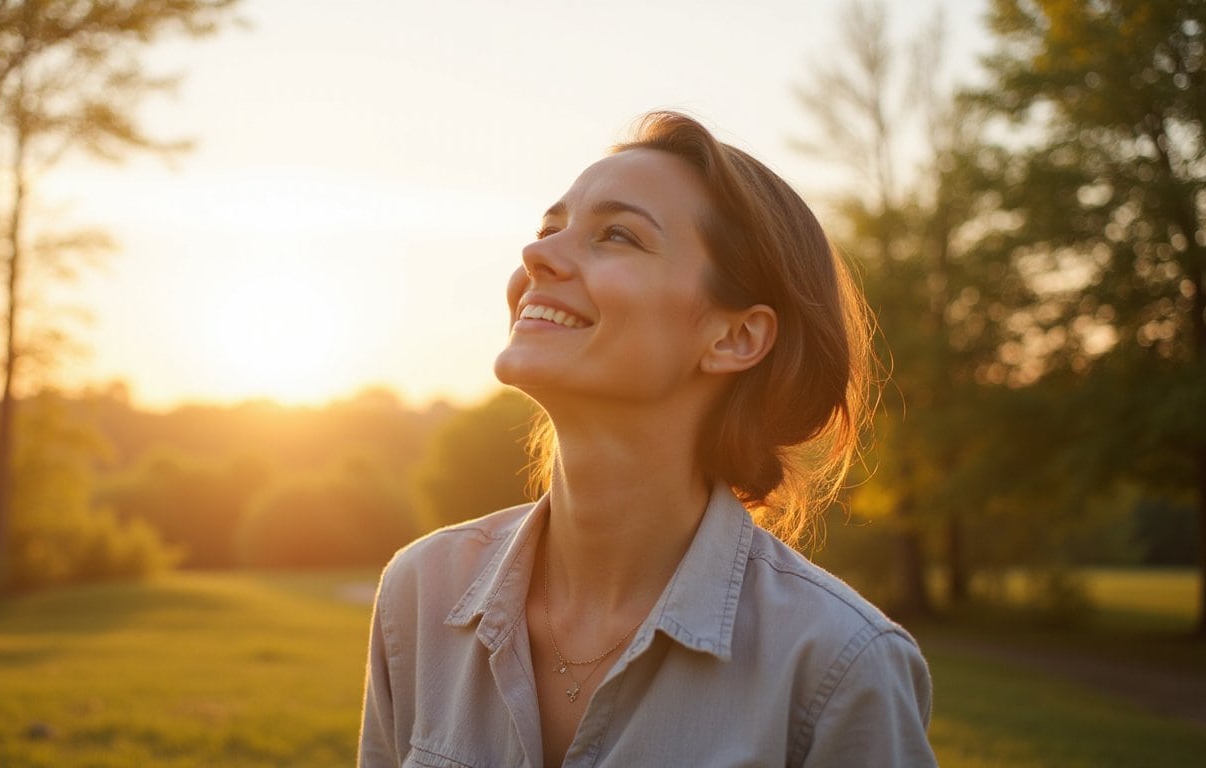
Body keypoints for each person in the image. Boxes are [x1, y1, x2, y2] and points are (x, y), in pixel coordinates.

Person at [358, 111, 935, 767]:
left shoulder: (839, 664)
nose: (536, 254)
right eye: (550, 228)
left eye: (616, 235)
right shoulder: (420, 592)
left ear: (734, 337)